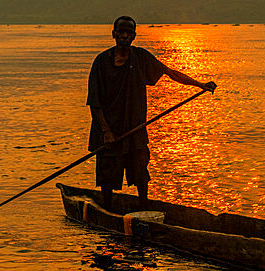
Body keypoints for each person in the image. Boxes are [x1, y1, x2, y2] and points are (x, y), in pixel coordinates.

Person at [87, 16, 216, 209]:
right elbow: (94, 102)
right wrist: (106, 131)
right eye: (120, 32)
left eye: (128, 32)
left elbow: (170, 73)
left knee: (140, 173)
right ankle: (107, 210)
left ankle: (144, 210)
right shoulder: (101, 62)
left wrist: (200, 85)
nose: (124, 35)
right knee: (108, 177)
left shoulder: (141, 58)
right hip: (108, 132)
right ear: (113, 34)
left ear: (134, 36)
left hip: (134, 129)